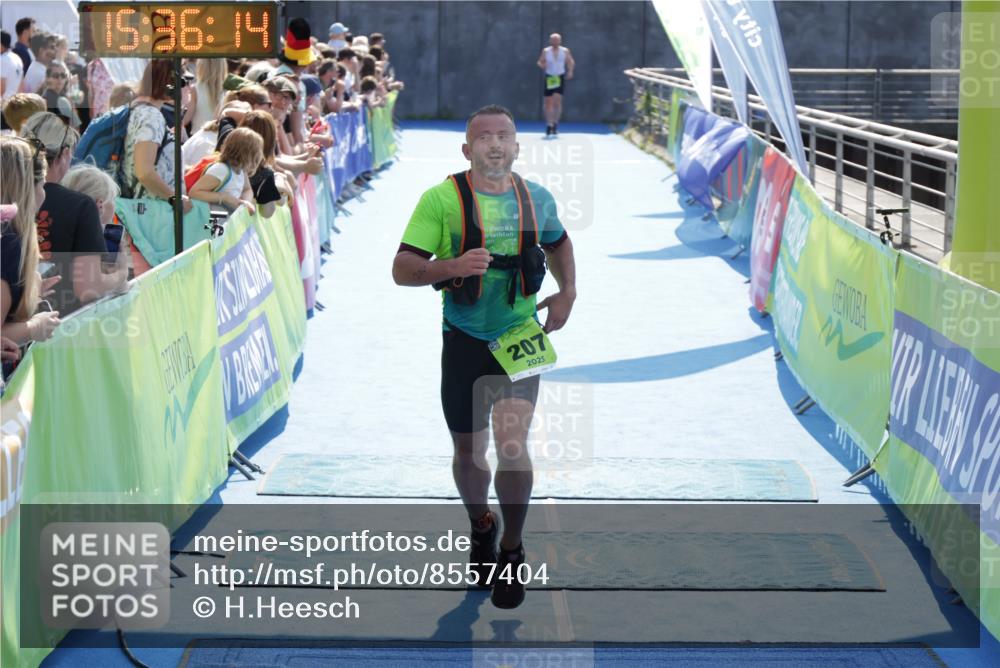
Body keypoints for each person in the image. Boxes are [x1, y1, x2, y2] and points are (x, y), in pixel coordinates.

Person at [392, 105, 576, 609]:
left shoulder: (536, 198)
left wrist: (568, 292)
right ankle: (482, 525)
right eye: (484, 137)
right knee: (469, 454)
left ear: (517, 147)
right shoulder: (442, 200)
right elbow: (402, 269)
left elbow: (560, 244)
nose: (495, 144)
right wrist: (450, 265)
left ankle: (512, 550)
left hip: (519, 336)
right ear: (467, 149)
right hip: (464, 340)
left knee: (513, 446)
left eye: (505, 137)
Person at [21, 112, 127, 314]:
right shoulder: (80, 206)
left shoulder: (8, 195)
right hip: (58, 321)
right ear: (65, 153)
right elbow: (88, 288)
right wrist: (120, 275)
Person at [122, 59, 192, 275]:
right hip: (152, 216)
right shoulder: (150, 116)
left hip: (149, 214)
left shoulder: (139, 110)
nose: (185, 86)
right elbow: (144, 171)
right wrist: (174, 197)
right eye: (182, 80)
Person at [0, 136, 61, 348]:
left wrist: (26, 294)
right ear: (26, 189)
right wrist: (34, 327)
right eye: (42, 185)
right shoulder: (8, 244)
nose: (43, 194)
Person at [188, 127, 261, 214]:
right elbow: (194, 192)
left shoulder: (241, 170)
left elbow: (247, 189)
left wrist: (244, 203)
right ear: (246, 154)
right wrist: (225, 198)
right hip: (211, 220)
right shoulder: (221, 170)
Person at [536, 33, 574, 136]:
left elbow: (570, 61)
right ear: (550, 41)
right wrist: (543, 65)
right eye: (553, 40)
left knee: (557, 100)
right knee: (548, 102)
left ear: (560, 41)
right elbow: (539, 62)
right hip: (550, 77)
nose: (555, 42)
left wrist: (570, 71)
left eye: (557, 40)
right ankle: (549, 124)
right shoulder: (546, 51)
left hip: (559, 77)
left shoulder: (565, 51)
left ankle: (555, 123)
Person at [190, 58, 228, 134]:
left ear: (202, 67)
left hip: (198, 136)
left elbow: (188, 114)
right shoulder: (229, 90)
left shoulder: (195, 88)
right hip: (219, 137)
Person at [38, 61, 80, 129]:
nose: (60, 79)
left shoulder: (41, 98)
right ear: (47, 78)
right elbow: (76, 128)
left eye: (63, 76)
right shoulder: (62, 101)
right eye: (55, 76)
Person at [1, 31, 25, 103]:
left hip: (3, 105)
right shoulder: (17, 57)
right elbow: (22, 85)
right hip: (14, 104)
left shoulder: (2, 60)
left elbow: (1, 89)